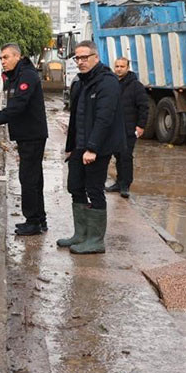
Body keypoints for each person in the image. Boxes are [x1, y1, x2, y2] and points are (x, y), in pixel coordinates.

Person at [57, 41, 126, 255]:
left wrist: (93, 148)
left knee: (94, 189)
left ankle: (95, 241)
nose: (80, 62)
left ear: (96, 57)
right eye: (77, 58)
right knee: (75, 186)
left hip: (99, 147)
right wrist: (72, 148)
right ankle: (81, 234)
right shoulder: (80, 82)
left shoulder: (107, 82)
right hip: (80, 146)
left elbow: (104, 118)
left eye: (85, 57)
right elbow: (76, 119)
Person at [0, 44, 48, 236]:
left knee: (28, 178)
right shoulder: (17, 75)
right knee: (34, 178)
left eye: (6, 57)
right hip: (28, 134)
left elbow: (19, 104)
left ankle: (33, 222)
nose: (3, 61)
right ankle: (39, 218)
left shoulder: (26, 75)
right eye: (1, 58)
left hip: (31, 135)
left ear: (17, 57)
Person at [105, 57, 150, 198]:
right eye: (117, 66)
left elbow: (144, 107)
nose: (119, 69)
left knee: (126, 156)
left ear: (128, 67)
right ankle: (118, 182)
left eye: (122, 66)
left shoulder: (136, 86)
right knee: (117, 155)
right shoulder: (111, 83)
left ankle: (125, 185)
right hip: (113, 128)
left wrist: (141, 126)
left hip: (129, 128)